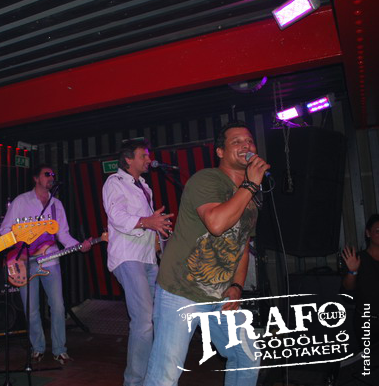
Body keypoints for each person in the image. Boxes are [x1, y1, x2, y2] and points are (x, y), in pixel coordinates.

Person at [144, 121, 268, 386]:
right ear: (220, 152)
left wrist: (237, 285)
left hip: (220, 294)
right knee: (165, 375)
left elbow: (242, 244)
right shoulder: (207, 179)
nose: (246, 145)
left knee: (247, 356)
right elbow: (216, 223)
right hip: (181, 291)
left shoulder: (251, 197)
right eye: (236, 142)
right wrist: (250, 185)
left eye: (249, 141)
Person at [0, 164, 91, 365]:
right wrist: (18, 250)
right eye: (46, 174)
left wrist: (79, 245)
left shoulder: (56, 205)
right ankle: (37, 348)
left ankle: (60, 350)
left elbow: (63, 234)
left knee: (57, 306)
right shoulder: (21, 201)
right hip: (24, 261)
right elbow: (4, 230)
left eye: (53, 175)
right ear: (36, 178)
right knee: (31, 308)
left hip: (50, 260)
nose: (51, 177)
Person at [102, 139, 173, 386]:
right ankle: (134, 382)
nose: (148, 160)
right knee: (143, 321)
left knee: (154, 318)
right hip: (128, 256)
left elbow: (148, 222)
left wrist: (158, 234)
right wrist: (147, 222)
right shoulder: (114, 182)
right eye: (143, 155)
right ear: (128, 159)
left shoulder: (144, 186)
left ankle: (150, 377)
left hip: (148, 258)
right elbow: (117, 217)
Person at [341, 213, 379, 355]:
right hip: (368, 323)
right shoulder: (357, 259)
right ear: (368, 233)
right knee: (370, 363)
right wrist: (352, 271)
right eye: (378, 230)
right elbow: (347, 293)